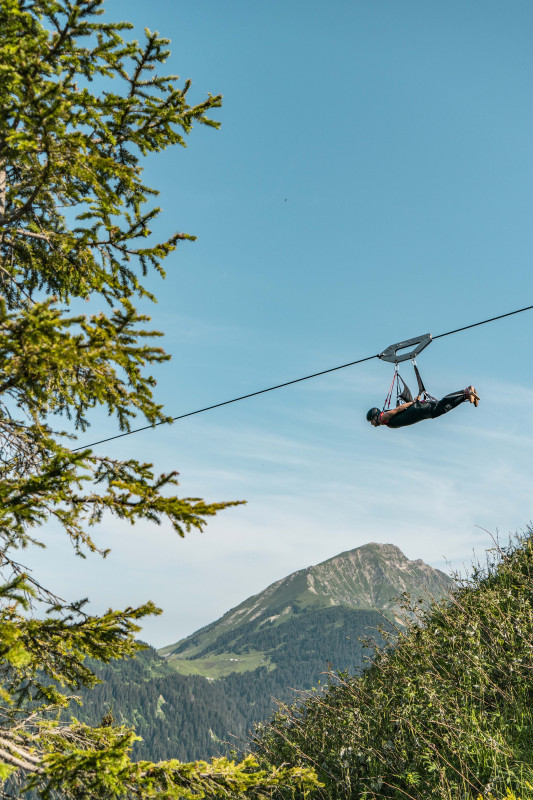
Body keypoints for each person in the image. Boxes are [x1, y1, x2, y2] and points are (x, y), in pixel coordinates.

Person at [367, 386, 479, 429]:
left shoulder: (384, 417)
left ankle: (466, 392)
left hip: (418, 410)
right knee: (441, 409)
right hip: (419, 413)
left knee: (440, 406)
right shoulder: (385, 422)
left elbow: (398, 409)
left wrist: (413, 403)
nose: (371, 424)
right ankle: (466, 395)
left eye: (371, 421)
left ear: (375, 417)